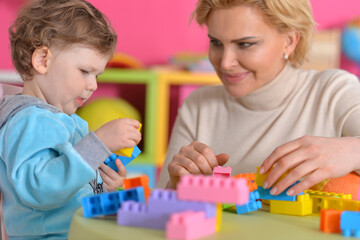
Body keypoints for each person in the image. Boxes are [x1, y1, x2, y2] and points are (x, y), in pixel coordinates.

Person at [157, 0, 360, 199]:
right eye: (216, 43)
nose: (226, 63)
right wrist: (176, 188)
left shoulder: (334, 91)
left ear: (290, 41)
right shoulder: (198, 106)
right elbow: (158, 206)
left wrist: (352, 150)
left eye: (245, 44)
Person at [0, 0, 141, 238]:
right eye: (85, 71)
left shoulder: (62, 120)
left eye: (97, 75)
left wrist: (102, 185)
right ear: (43, 60)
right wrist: (99, 144)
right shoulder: (30, 120)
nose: (93, 85)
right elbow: (41, 187)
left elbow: (70, 185)